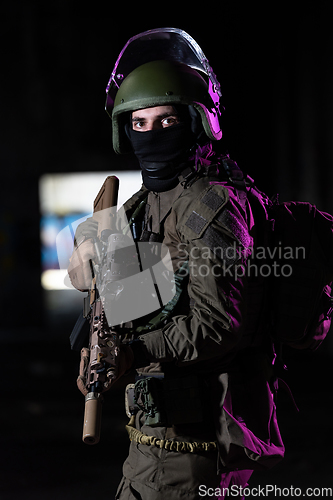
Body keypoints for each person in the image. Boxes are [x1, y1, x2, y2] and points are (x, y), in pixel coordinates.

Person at [68, 28, 285, 500]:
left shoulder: (213, 205)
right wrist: (87, 254)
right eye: (139, 125)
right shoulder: (147, 203)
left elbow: (217, 324)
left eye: (166, 122)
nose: (151, 135)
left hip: (199, 451)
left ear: (196, 121)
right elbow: (113, 286)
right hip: (150, 445)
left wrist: (132, 352)